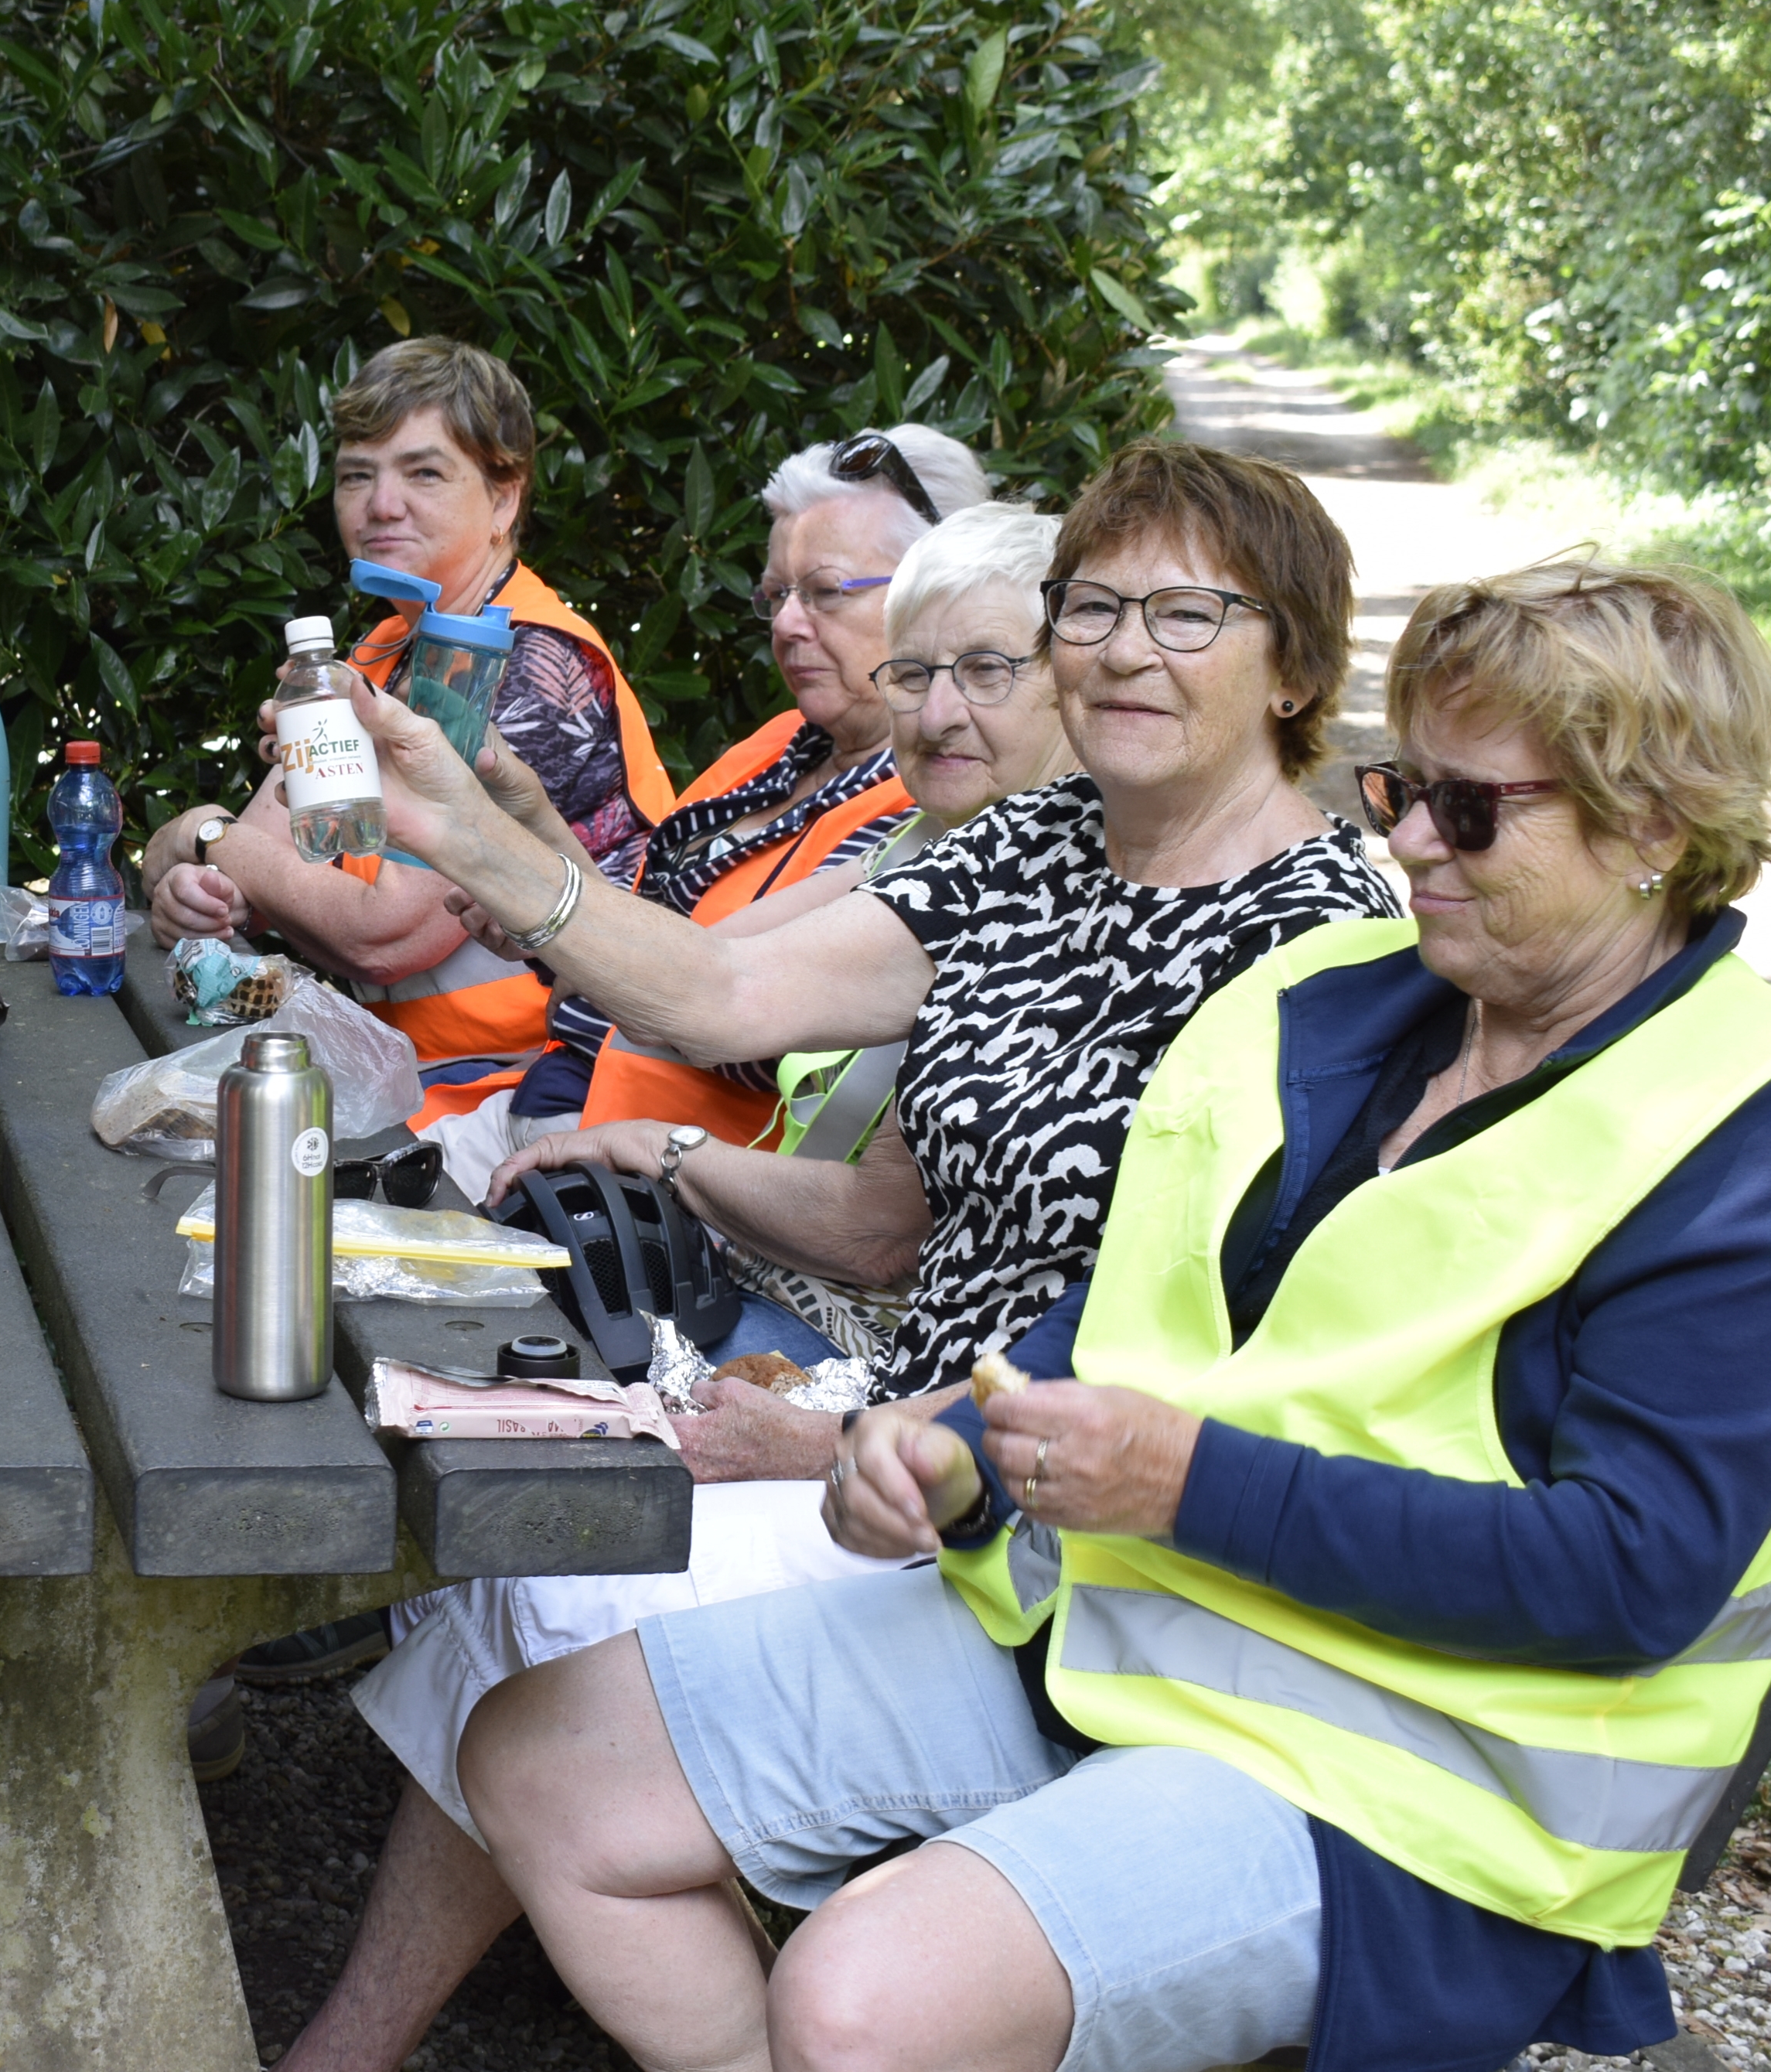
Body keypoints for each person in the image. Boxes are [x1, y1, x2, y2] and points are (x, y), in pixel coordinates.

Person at [462, 558, 1771, 2072]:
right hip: (1123, 1627)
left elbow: (1631, 1575)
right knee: (546, 1767)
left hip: (1422, 1795)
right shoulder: (1327, 993)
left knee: (864, 2001)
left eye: (1474, 811)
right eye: (1400, 789)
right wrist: (957, 1445)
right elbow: (1133, 1315)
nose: (1414, 845)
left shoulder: (1749, 1133)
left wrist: (1186, 1485)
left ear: (1651, 828)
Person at [272, 443, 1401, 2072]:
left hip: (1057, 1518)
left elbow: (1236, 1342)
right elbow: (723, 994)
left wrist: (879, 1427)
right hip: (907, 1447)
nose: (1123, 650)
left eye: (1186, 614)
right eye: (1092, 608)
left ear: (1291, 664)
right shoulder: (1039, 850)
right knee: (531, 1639)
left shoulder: (1325, 948)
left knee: (554, 1603)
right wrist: (478, 841)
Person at [276, 502, 1078, 2071]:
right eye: (914, 673)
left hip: (893, 1406)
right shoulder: (946, 848)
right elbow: (705, 970)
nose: (930, 709)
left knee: (559, 1568)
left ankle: (417, 2008)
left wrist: (660, 1155)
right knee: (523, 1548)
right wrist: (506, 839)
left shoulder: (1078, 895)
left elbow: (879, 1238)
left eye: (984, 669)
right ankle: (386, 2026)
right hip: (837, 1361)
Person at [413, 425, 984, 1198]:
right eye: (775, 596)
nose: (784, 625)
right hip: (545, 1101)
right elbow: (637, 936)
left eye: (821, 592)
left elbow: (721, 1009)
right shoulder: (782, 743)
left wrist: (508, 862)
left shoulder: (938, 800)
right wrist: (534, 834)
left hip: (659, 1179)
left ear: (939, 595)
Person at [138, 338, 675, 1067]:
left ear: (504, 497)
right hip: (412, 1081)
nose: (381, 505)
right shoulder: (381, 649)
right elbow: (247, 872)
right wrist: (191, 883)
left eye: (423, 472)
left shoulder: (533, 661)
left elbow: (382, 933)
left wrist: (199, 833)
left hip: (548, 1088)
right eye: (358, 476)